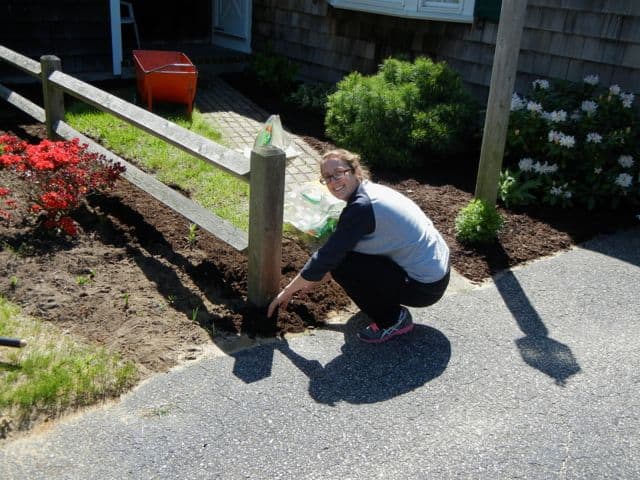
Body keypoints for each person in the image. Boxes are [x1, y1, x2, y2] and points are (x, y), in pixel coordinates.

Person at [267, 149, 450, 343]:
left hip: (425, 287)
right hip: (436, 270)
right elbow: (341, 250)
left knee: (342, 265)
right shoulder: (370, 192)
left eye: (338, 173)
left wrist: (286, 292)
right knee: (345, 260)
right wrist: (313, 279)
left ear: (355, 171)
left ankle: (393, 321)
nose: (333, 181)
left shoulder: (361, 208)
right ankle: (384, 305)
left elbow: (328, 257)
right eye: (327, 177)